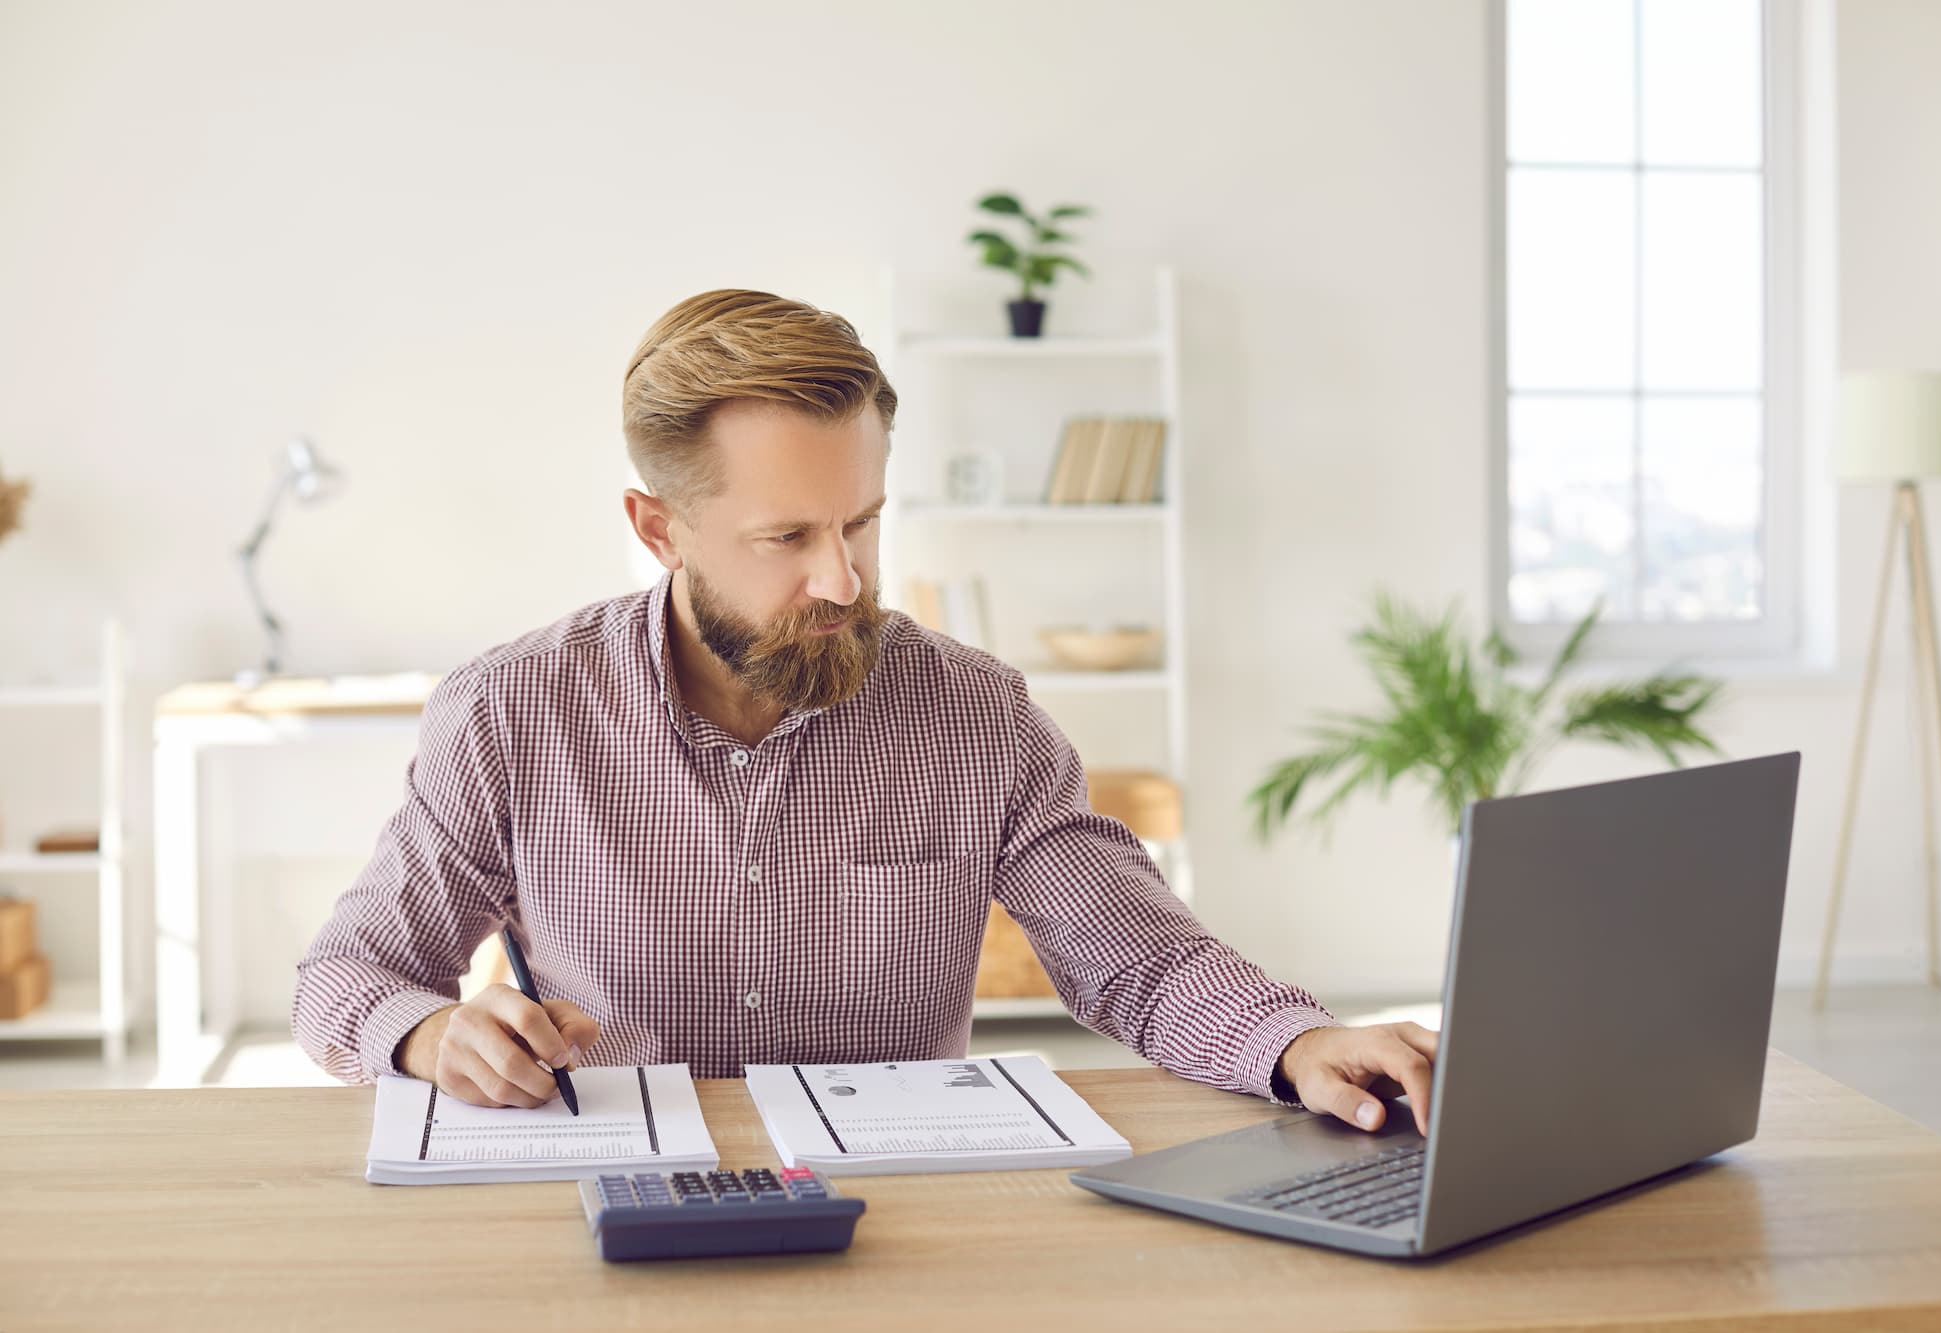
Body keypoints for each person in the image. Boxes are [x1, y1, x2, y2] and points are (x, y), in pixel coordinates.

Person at [292, 289, 1438, 1136]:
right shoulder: (515, 714)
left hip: (902, 1208)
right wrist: (429, 1033)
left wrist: (1297, 1042)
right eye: (786, 537)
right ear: (659, 530)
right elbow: (349, 970)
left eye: (862, 521)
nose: (842, 580)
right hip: (610, 1190)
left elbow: (1137, 959)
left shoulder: (976, 716)